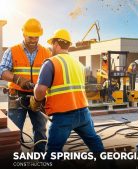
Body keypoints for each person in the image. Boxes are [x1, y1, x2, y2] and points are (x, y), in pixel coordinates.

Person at [30, 29, 105, 161]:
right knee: (94, 142)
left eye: (52, 44)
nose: (51, 47)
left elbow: (40, 90)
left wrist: (36, 100)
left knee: (53, 152)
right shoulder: (79, 64)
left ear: (57, 44)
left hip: (63, 116)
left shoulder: (50, 63)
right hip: (83, 113)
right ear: (68, 45)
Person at [0, 18, 51, 152]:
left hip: (38, 96)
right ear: (23, 34)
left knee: (40, 128)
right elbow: (2, 71)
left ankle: (40, 157)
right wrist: (17, 79)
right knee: (15, 129)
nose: (33, 40)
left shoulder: (46, 52)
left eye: (36, 37)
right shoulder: (12, 51)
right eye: (30, 37)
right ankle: (15, 157)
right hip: (16, 96)